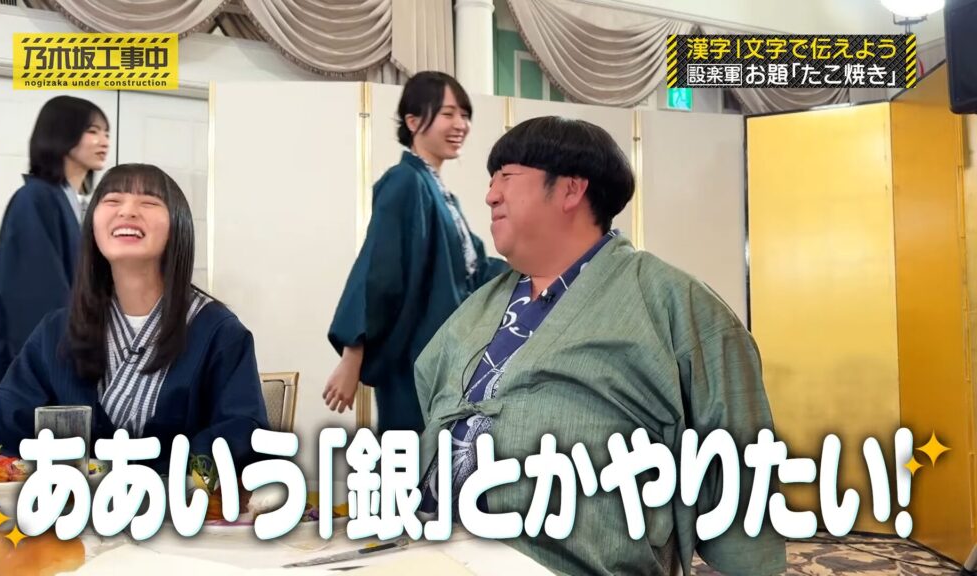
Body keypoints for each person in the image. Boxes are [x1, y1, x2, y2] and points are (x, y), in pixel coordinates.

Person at [414, 117, 786, 575]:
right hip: (438, 550)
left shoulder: (674, 302)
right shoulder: (480, 305)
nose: (491, 195)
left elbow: (739, 457)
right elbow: (432, 394)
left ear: (571, 189)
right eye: (492, 181)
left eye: (506, 177)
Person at [0, 164, 269, 472]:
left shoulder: (218, 332)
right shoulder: (56, 331)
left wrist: (157, 477)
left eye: (148, 202)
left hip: (181, 500)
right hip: (70, 499)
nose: (128, 211)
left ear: (179, 226)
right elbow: (7, 423)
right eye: (112, 200)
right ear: (92, 226)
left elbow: (242, 432)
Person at [324, 71, 506, 432]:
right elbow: (379, 269)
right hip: (415, 360)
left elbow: (473, 270)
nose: (461, 125)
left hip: (446, 360)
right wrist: (352, 355)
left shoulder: (439, 193)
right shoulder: (405, 182)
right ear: (412, 121)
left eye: (464, 115)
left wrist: (539, 263)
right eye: (448, 114)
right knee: (415, 455)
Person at [0, 95, 110, 398]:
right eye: (92, 131)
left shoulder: (74, 204)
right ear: (61, 133)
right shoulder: (35, 199)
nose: (103, 141)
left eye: (106, 132)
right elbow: (34, 300)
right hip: (47, 374)